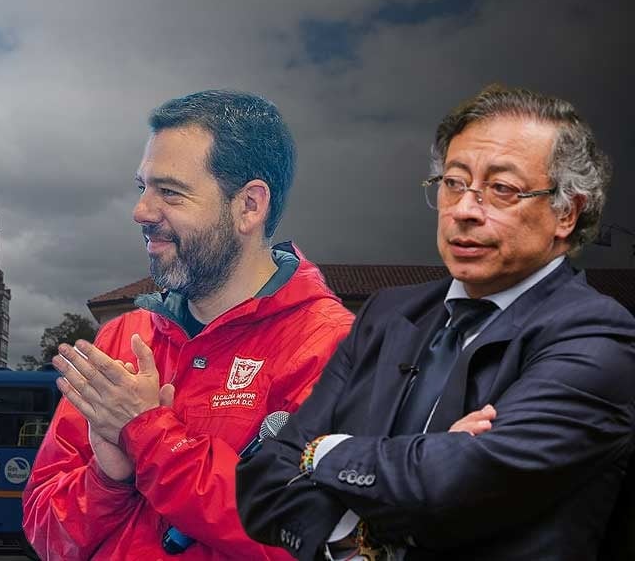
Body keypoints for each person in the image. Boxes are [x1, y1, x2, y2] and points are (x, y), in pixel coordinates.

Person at [236, 84, 635, 560]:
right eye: (453, 183)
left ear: (567, 213)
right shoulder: (386, 315)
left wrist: (321, 451)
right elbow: (261, 487)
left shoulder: (601, 337)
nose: (464, 210)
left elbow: (454, 485)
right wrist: (355, 540)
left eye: (501, 189)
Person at [22, 90, 355, 559]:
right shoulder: (124, 337)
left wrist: (147, 433)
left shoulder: (331, 346)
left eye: (171, 192)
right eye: (143, 187)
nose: (141, 211)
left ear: (249, 206)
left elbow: (301, 534)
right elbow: (46, 533)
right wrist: (107, 479)